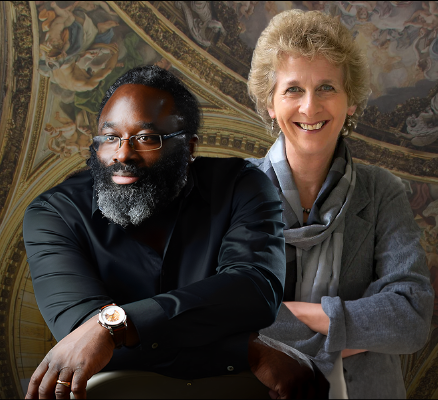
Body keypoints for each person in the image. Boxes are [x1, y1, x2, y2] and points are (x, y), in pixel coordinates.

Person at [23, 65, 328, 399]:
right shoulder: (53, 213)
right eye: (110, 137)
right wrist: (247, 352)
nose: (123, 154)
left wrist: (114, 326)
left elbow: (254, 291)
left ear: (189, 147)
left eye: (146, 138)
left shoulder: (242, 186)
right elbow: (83, 341)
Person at [246, 9, 434, 399]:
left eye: (327, 88)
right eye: (293, 89)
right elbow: (219, 311)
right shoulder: (235, 189)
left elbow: (411, 318)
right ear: (270, 103)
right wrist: (354, 326)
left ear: (351, 102)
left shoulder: (383, 191)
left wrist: (290, 315)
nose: (310, 107)